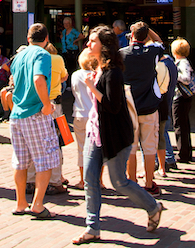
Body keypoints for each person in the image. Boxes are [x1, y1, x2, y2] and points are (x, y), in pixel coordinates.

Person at [73, 25, 165, 245]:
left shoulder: (113, 71)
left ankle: (153, 207)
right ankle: (92, 227)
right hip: (95, 132)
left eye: (92, 41)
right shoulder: (102, 69)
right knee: (90, 180)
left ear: (104, 45)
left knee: (119, 181)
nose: (88, 44)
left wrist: (92, 87)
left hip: (114, 135)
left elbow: (113, 106)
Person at [9, 23, 60, 218]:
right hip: (35, 113)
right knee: (44, 160)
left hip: (16, 114)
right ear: (46, 39)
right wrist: (46, 104)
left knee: (20, 162)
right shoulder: (43, 55)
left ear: (28, 38)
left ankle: (20, 202)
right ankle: (37, 204)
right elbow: (39, 79)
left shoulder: (19, 55)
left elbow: (14, 81)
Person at [120, 21, 163, 195]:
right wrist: (146, 29)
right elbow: (159, 42)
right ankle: (149, 181)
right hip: (149, 105)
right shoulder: (152, 51)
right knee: (149, 145)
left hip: (129, 104)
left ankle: (131, 180)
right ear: (146, 37)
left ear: (131, 37)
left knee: (131, 145)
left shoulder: (121, 54)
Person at [26, 42, 68, 195]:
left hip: (35, 104)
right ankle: (55, 181)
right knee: (54, 144)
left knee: (33, 143)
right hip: (54, 105)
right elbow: (64, 76)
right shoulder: (57, 59)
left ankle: (30, 180)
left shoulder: (31, 58)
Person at [71, 49, 98, 190]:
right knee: (98, 148)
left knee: (82, 148)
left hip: (80, 114)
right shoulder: (97, 75)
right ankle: (99, 179)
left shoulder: (75, 75)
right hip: (95, 114)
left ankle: (83, 180)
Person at [171, 38, 194, 163]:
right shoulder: (182, 62)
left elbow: (186, 79)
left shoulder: (182, 63)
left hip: (180, 97)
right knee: (183, 124)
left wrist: (174, 73)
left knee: (180, 125)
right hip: (182, 97)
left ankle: (183, 153)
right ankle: (186, 151)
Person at [155, 49, 178, 177]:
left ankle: (164, 162)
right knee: (163, 134)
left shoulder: (158, 67)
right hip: (165, 102)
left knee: (158, 134)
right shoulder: (170, 64)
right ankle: (167, 160)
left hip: (157, 103)